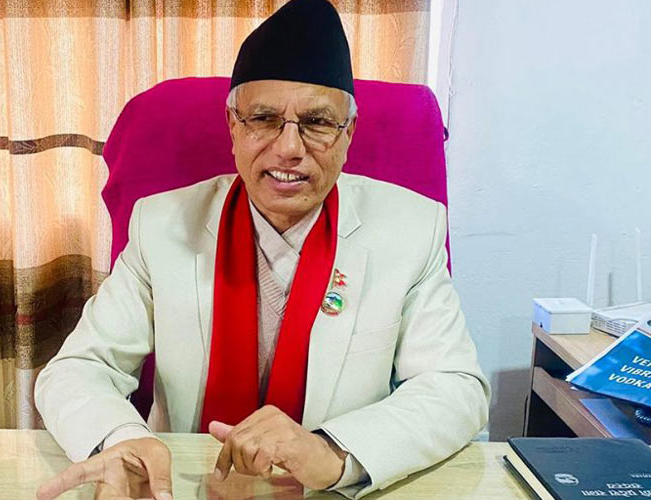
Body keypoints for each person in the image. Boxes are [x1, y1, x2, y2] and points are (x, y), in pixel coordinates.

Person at [34, 0, 490, 498]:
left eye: (318, 122)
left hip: (329, 490)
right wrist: (122, 439)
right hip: (183, 484)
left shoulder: (411, 229)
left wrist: (336, 452)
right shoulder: (160, 225)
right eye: (263, 118)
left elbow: (456, 387)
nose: (289, 148)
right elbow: (79, 368)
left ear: (349, 134)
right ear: (233, 126)